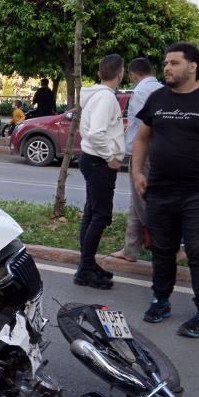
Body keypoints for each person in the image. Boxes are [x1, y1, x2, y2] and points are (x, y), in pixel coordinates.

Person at [132, 42, 199, 338]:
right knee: (162, 250)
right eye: (165, 63)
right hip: (160, 190)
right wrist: (138, 171)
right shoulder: (157, 98)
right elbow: (142, 139)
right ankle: (160, 301)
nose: (167, 68)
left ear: (192, 66)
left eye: (174, 63)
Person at [75, 55, 126, 289]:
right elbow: (97, 133)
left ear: (99, 73)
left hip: (92, 160)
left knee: (92, 213)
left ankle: (87, 264)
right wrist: (111, 158)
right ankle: (85, 270)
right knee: (100, 216)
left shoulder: (96, 96)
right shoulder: (105, 98)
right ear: (120, 74)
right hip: (99, 162)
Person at [110, 57, 162, 262]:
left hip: (143, 153)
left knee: (142, 201)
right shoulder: (160, 89)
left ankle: (168, 245)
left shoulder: (141, 92)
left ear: (132, 75)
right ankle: (130, 249)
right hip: (153, 151)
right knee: (136, 201)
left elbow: (145, 125)